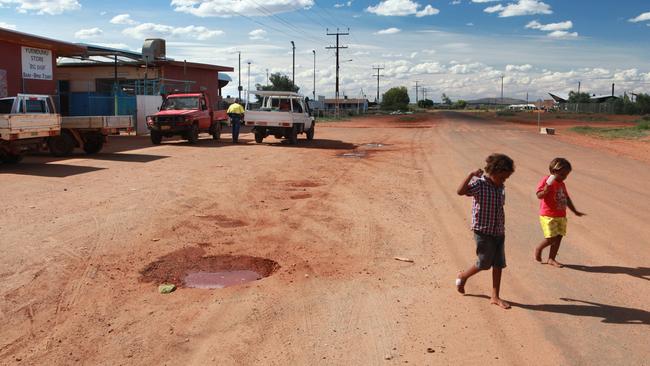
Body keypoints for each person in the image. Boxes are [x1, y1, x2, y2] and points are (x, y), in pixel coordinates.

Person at [455, 153, 515, 309]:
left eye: (506, 178)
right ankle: (463, 276)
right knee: (484, 263)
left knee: (498, 264)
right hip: (483, 231)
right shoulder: (480, 185)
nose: (504, 181)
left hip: (498, 230)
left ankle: (495, 296)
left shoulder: (500, 186)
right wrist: (470, 175)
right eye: (502, 177)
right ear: (493, 172)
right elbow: (460, 191)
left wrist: (501, 227)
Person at [534, 158, 585, 268]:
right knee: (551, 238)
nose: (564, 177)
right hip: (548, 215)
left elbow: (566, 198)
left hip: (561, 215)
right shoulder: (546, 181)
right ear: (553, 171)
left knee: (558, 237)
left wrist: (574, 210)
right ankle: (539, 248)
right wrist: (545, 191)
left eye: (566, 175)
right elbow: (538, 195)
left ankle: (551, 259)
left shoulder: (562, 184)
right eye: (562, 174)